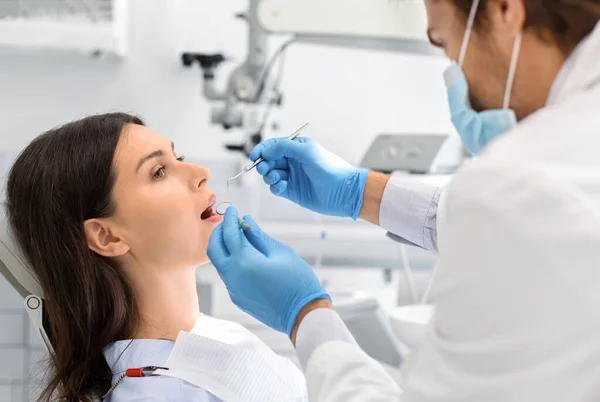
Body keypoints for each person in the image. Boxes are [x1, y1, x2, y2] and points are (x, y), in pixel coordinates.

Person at [207, 0, 600, 400]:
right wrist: (359, 192)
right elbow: (520, 228)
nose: (456, 72)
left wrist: (306, 315)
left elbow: (515, 219)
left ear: (505, 11)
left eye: (444, 43)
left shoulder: (524, 185)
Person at [5, 113, 305, 402]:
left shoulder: (207, 336)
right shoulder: (157, 394)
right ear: (107, 236)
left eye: (179, 159)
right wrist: (311, 311)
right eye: (159, 172)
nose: (202, 174)